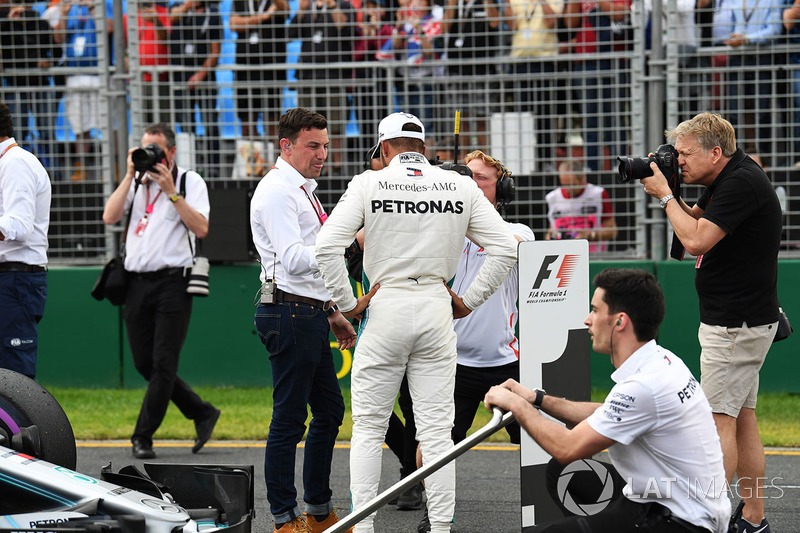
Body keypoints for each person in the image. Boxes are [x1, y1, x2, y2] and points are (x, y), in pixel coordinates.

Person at [315, 112, 519, 533]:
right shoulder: (460, 184)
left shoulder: (367, 182)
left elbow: (326, 246)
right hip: (435, 309)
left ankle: (365, 528)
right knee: (437, 433)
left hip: (386, 306)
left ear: (384, 148)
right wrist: (468, 302)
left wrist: (349, 303)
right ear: (423, 149)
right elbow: (505, 246)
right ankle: (441, 528)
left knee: (369, 429)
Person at [484, 268, 731, 532]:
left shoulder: (644, 386)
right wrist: (536, 399)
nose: (587, 320)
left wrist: (516, 405)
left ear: (620, 322)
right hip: (656, 500)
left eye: (595, 310)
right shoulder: (661, 361)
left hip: (682, 522)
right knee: (563, 472)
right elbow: (606, 413)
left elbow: (567, 447)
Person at [641, 112, 781, 533]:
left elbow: (696, 239)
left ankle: (705, 521)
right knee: (742, 419)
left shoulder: (740, 182)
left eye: (684, 154)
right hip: (740, 320)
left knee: (716, 420)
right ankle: (753, 519)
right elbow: (694, 223)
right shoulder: (731, 176)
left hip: (734, 325)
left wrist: (666, 196)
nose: (678, 160)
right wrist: (668, 188)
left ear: (715, 152)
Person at [249, 108, 359, 533]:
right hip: (287, 311)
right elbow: (293, 258)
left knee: (329, 411)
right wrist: (343, 246)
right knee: (290, 419)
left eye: (326, 145)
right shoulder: (278, 190)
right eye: (313, 145)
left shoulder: (302, 189)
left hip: (305, 310)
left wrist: (331, 311)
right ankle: (284, 519)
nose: (322, 154)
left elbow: (302, 262)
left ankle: (317, 511)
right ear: (286, 145)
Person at [414, 150, 533, 533]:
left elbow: (506, 243)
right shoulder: (438, 227)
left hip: (505, 363)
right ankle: (435, 514)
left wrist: (460, 207)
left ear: (502, 189)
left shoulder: (518, 231)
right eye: (467, 176)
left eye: (481, 178)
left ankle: (554, 509)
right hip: (450, 360)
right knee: (434, 443)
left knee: (539, 443)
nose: (473, 182)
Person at [101, 123, 220, 461]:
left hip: (174, 283)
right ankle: (201, 411)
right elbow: (110, 216)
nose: (150, 155)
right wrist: (128, 176)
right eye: (144, 149)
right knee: (144, 363)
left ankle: (142, 436)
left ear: (171, 152)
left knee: (163, 363)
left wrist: (171, 191)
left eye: (156, 150)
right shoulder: (136, 184)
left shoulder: (188, 181)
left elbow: (201, 227)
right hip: (137, 282)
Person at [0, 101, 51, 380]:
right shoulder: (7, 162)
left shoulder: (15, 162)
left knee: (13, 377)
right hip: (11, 280)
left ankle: (17, 426)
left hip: (14, 280)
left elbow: (18, 226)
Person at [288, 0, 355, 171]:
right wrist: (301, 12)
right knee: (306, 126)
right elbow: (290, 34)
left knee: (336, 125)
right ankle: (310, 167)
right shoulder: (307, 6)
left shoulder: (344, 5)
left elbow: (347, 30)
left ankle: (337, 168)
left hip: (334, 76)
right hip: (308, 76)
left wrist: (332, 6)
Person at [53, 0, 113, 182]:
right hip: (74, 75)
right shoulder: (68, 9)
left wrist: (93, 7)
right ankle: (82, 168)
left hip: (99, 74)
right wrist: (64, 13)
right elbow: (58, 38)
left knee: (106, 125)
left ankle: (110, 169)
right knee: (79, 127)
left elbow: (110, 28)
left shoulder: (104, 4)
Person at [169, 0, 222, 178]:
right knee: (185, 125)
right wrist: (186, 7)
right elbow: (171, 17)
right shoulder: (178, 8)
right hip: (180, 78)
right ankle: (186, 168)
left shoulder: (213, 14)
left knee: (209, 123)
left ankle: (213, 169)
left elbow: (215, 50)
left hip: (205, 79)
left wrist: (200, 74)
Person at [229, 0, 289, 140]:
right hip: (245, 68)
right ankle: (253, 159)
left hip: (272, 69)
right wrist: (263, 17)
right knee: (247, 121)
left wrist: (248, 21)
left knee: (273, 122)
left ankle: (273, 159)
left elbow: (286, 10)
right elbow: (234, 24)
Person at [545, 159, 618, 252]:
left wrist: (589, 235)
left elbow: (612, 231)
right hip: (563, 255)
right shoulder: (553, 197)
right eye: (564, 185)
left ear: (583, 178)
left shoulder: (598, 194)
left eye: (572, 185)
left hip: (594, 255)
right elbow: (551, 232)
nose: (568, 189)